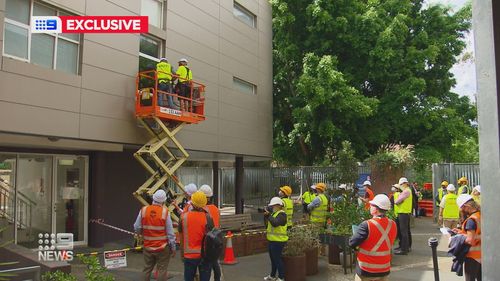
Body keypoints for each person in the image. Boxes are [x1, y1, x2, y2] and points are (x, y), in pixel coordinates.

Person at [350, 194, 397, 281]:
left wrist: (357, 247)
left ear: (375, 209)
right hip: (384, 269)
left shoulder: (367, 225)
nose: (370, 207)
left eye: (372, 205)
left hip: (366, 270)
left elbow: (352, 242)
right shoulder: (393, 224)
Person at [133, 190, 176, 281]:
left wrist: (140, 234)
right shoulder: (165, 212)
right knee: (162, 270)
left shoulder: (144, 210)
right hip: (162, 247)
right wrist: (173, 248)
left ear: (153, 199)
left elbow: (136, 227)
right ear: (163, 201)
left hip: (148, 246)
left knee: (146, 269)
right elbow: (170, 233)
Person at [179, 191, 212, 281]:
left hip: (189, 255)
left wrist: (182, 254)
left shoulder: (183, 217)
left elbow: (181, 237)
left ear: (192, 203)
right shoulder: (208, 218)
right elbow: (211, 238)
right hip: (204, 255)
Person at [454, 194, 481, 281]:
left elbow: (470, 240)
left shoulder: (471, 221)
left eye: (462, 208)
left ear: (466, 206)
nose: (462, 211)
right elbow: (478, 233)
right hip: (482, 255)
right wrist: (461, 232)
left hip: (472, 256)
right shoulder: (480, 215)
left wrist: (455, 237)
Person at [199, 184, 221, 281]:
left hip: (207, 240)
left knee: (206, 266)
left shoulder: (203, 210)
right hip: (215, 239)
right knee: (215, 263)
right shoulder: (215, 209)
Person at [263, 197, 287, 281]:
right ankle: (272, 276)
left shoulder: (282, 214)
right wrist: (266, 216)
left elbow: (275, 223)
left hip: (279, 241)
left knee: (277, 260)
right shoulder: (274, 214)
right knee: (273, 260)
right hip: (272, 240)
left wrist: (268, 215)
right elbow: (267, 226)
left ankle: (281, 277)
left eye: (273, 206)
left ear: (278, 205)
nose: (271, 207)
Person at [394, 177, 413, 255]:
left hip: (403, 213)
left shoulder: (406, 191)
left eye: (401, 184)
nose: (400, 186)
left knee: (403, 232)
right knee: (407, 231)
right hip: (406, 213)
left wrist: (397, 199)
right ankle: (406, 246)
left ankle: (404, 249)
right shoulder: (408, 190)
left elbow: (397, 201)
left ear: (405, 183)